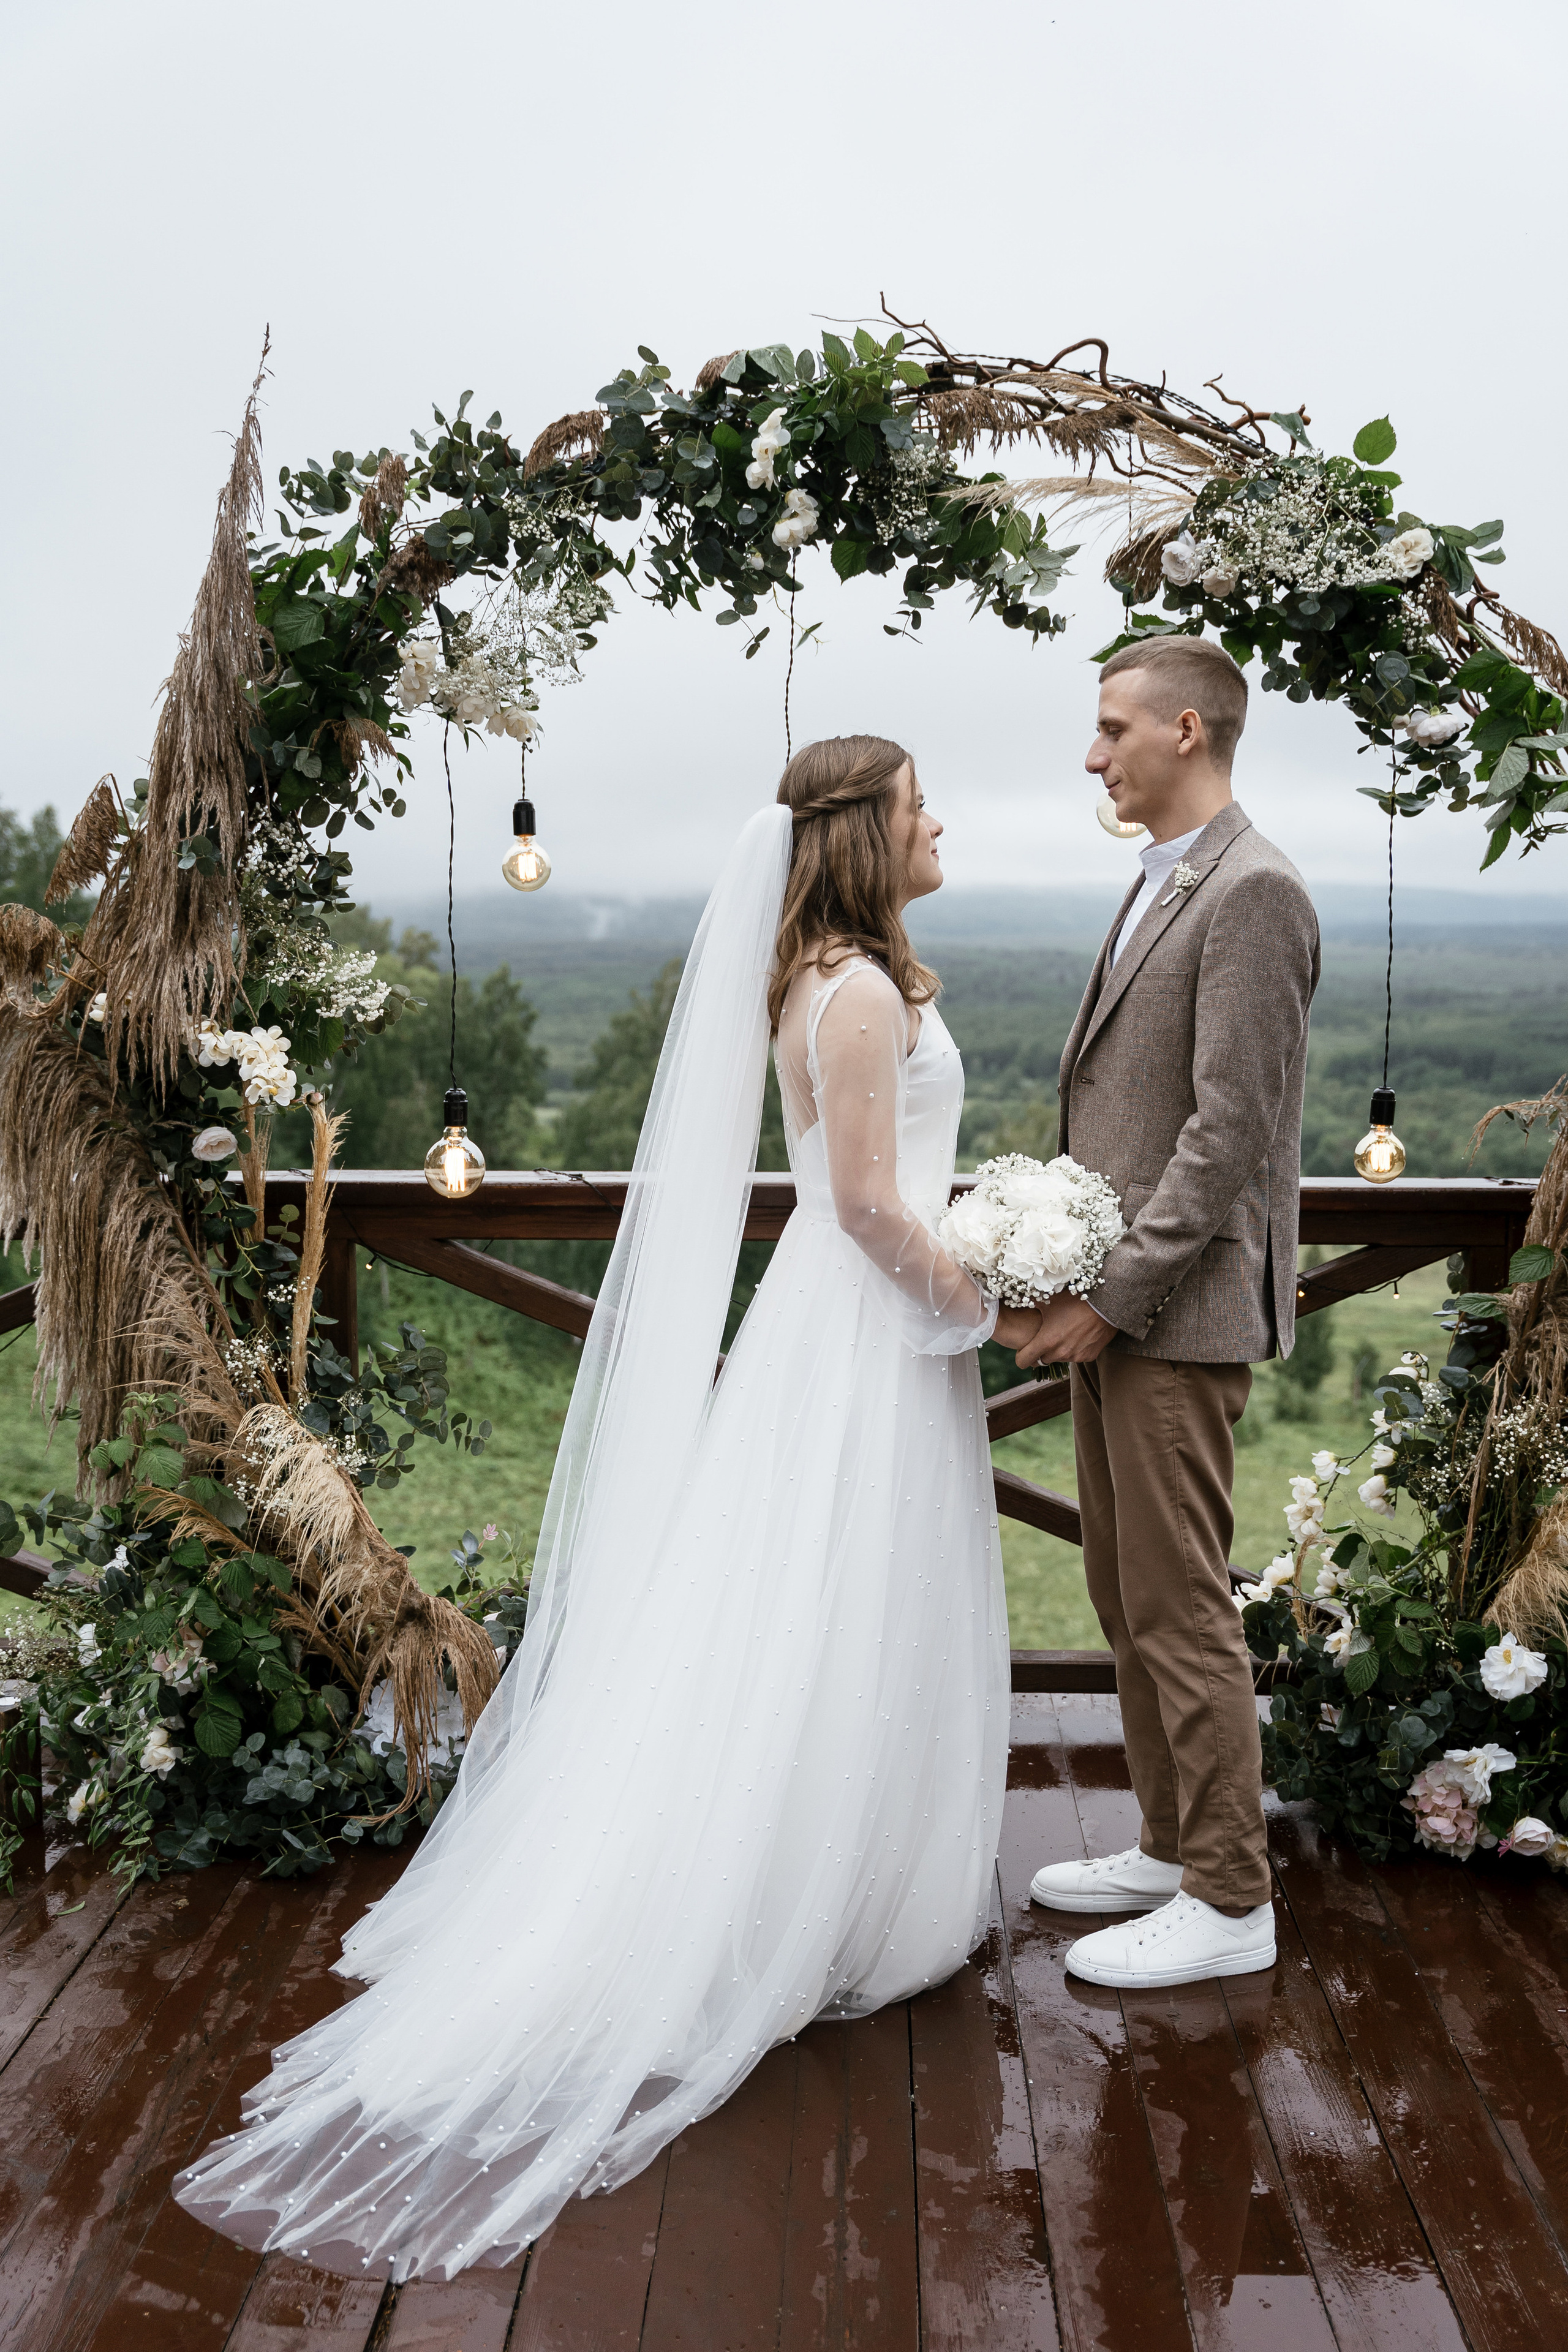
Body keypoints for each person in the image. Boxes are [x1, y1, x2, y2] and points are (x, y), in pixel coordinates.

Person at [175, 734, 1040, 2282]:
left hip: (872, 1336)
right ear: (857, 836)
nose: (938, 824)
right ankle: (784, 1897)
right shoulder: (845, 991)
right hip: (859, 1334)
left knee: (860, 1608)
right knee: (813, 1604)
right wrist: (979, 1287)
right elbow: (855, 1205)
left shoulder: (864, 976)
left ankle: (856, 1870)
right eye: (920, 807)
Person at [1020, 636, 1319, 1989]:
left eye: (1109, 729)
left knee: (1183, 1602)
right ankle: (1162, 1844)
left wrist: (1113, 1297)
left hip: (1176, 1313)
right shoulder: (1160, 882)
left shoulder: (1251, 891)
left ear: (1184, 730)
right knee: (1122, 1590)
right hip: (1120, 1305)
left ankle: (1228, 1895)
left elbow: (1224, 1136)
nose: (1093, 755)